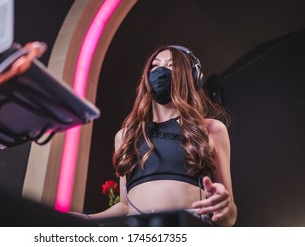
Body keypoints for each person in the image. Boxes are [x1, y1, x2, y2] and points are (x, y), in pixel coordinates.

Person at [85, 45, 237, 226]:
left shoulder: (211, 129)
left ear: (192, 77)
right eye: (155, 65)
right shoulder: (125, 136)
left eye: (171, 65)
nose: (161, 70)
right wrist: (84, 219)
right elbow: (125, 206)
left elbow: (229, 216)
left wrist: (224, 207)